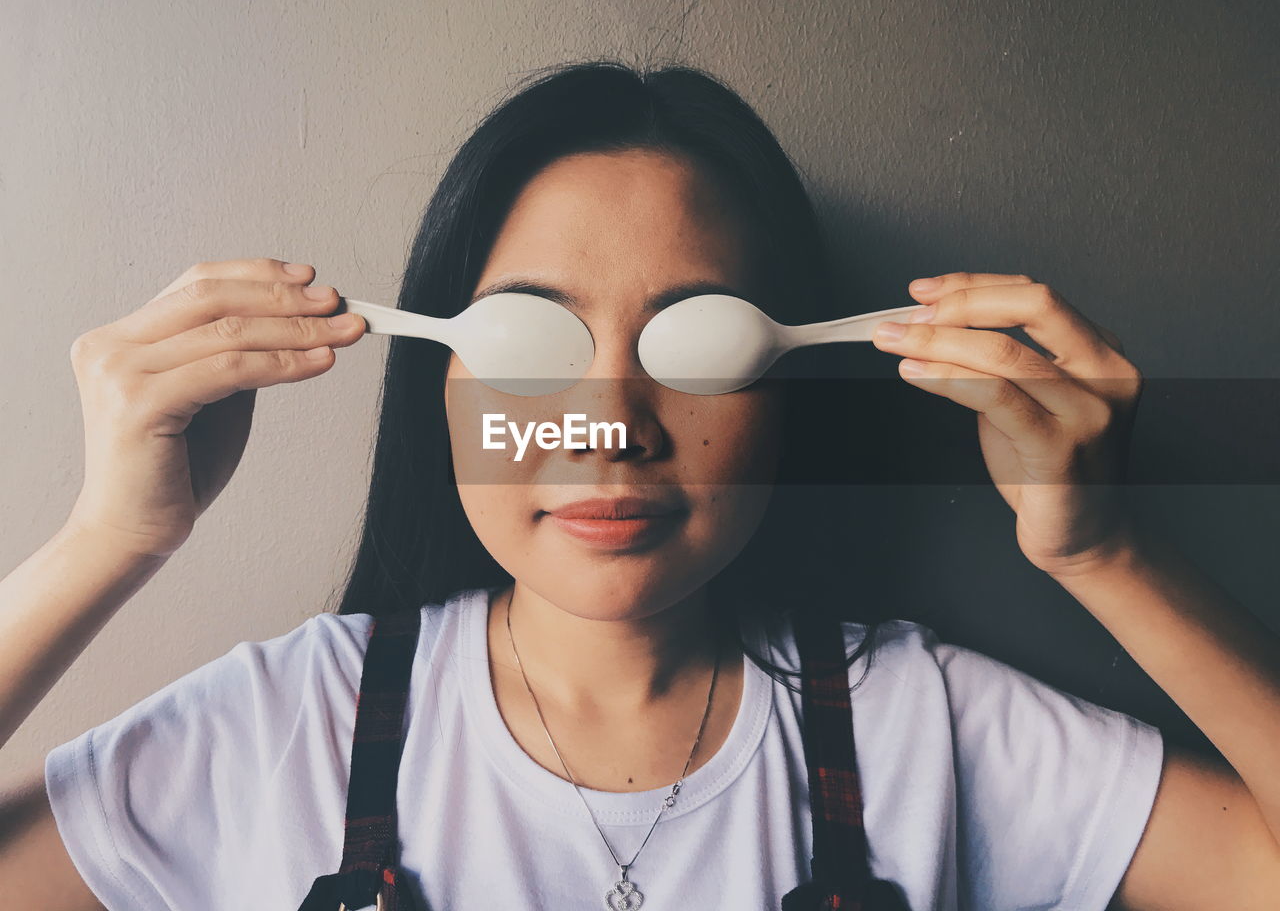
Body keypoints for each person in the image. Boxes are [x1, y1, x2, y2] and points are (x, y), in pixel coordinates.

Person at [1, 60, 1277, 910]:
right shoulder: (282, 731)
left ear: (785, 389)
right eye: (525, 343)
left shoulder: (916, 730)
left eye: (698, 343)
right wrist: (109, 537)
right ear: (437, 387)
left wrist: (1104, 549)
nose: (609, 425)